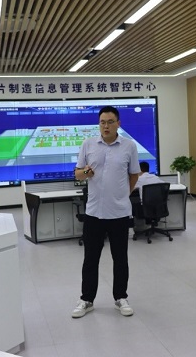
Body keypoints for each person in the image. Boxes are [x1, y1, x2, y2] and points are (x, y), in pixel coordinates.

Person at [71, 106, 140, 319]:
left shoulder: (129, 146)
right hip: (94, 212)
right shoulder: (88, 144)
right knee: (90, 259)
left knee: (120, 258)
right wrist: (86, 171)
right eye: (102, 122)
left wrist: (122, 195)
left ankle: (121, 297)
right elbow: (78, 174)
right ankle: (87, 299)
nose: (106, 126)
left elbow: (134, 175)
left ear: (118, 123)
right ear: (99, 124)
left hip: (119, 213)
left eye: (110, 122)